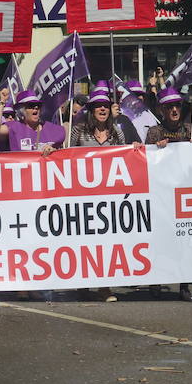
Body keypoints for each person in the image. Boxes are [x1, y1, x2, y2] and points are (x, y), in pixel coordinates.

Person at [68, 88, 138, 302]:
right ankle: (83, 282)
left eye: (106, 106)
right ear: (90, 110)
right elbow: (66, 157)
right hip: (83, 196)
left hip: (109, 197)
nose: (102, 109)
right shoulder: (78, 131)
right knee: (84, 241)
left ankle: (104, 286)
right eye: (98, 105)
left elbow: (126, 156)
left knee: (106, 242)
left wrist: (134, 148)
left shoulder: (117, 133)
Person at [145, 87, 192, 302]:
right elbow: (146, 161)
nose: (174, 110)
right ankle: (156, 281)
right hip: (161, 194)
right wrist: (156, 150)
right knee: (160, 240)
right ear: (162, 110)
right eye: (170, 107)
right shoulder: (154, 132)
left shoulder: (190, 130)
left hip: (185, 192)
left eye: (177, 106)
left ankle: (184, 284)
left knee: (184, 241)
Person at [0, 90, 65, 156]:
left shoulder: (53, 129)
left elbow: (62, 155)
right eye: (31, 105)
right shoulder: (14, 127)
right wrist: (2, 101)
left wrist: (54, 151)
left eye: (38, 105)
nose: (35, 108)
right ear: (22, 111)